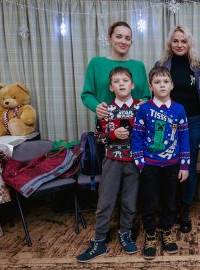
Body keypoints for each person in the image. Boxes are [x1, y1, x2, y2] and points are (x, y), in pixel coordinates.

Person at [76, 67, 141, 262]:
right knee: (105, 201)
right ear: (111, 87)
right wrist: (113, 135)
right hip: (112, 161)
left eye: (125, 80)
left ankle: (125, 232)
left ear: (132, 85)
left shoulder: (142, 108)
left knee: (130, 201)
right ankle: (100, 239)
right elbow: (98, 137)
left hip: (134, 162)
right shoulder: (105, 110)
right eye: (117, 81)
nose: (121, 83)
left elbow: (147, 135)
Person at [131, 66, 190, 260]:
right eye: (157, 82)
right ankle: (149, 235)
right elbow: (137, 136)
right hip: (150, 165)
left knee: (170, 202)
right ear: (151, 86)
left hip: (172, 165)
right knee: (149, 201)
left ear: (172, 85)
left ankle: (166, 232)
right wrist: (140, 162)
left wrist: (184, 165)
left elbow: (184, 137)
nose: (162, 85)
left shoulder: (179, 109)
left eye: (165, 82)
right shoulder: (144, 109)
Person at [155, 26, 200, 233]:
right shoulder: (161, 65)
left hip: (193, 122)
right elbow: (156, 92)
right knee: (167, 165)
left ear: (189, 43)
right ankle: (170, 209)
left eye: (183, 41)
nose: (179, 44)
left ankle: (185, 209)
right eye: (175, 41)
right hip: (166, 122)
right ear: (170, 43)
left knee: (188, 166)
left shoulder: (198, 66)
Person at [81, 21, 150, 120]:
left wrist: (144, 102)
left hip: (136, 125)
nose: (123, 41)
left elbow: (146, 96)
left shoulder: (139, 66)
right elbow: (87, 94)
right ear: (109, 39)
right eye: (118, 37)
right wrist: (96, 106)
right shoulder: (96, 63)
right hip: (106, 125)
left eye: (127, 38)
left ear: (131, 42)